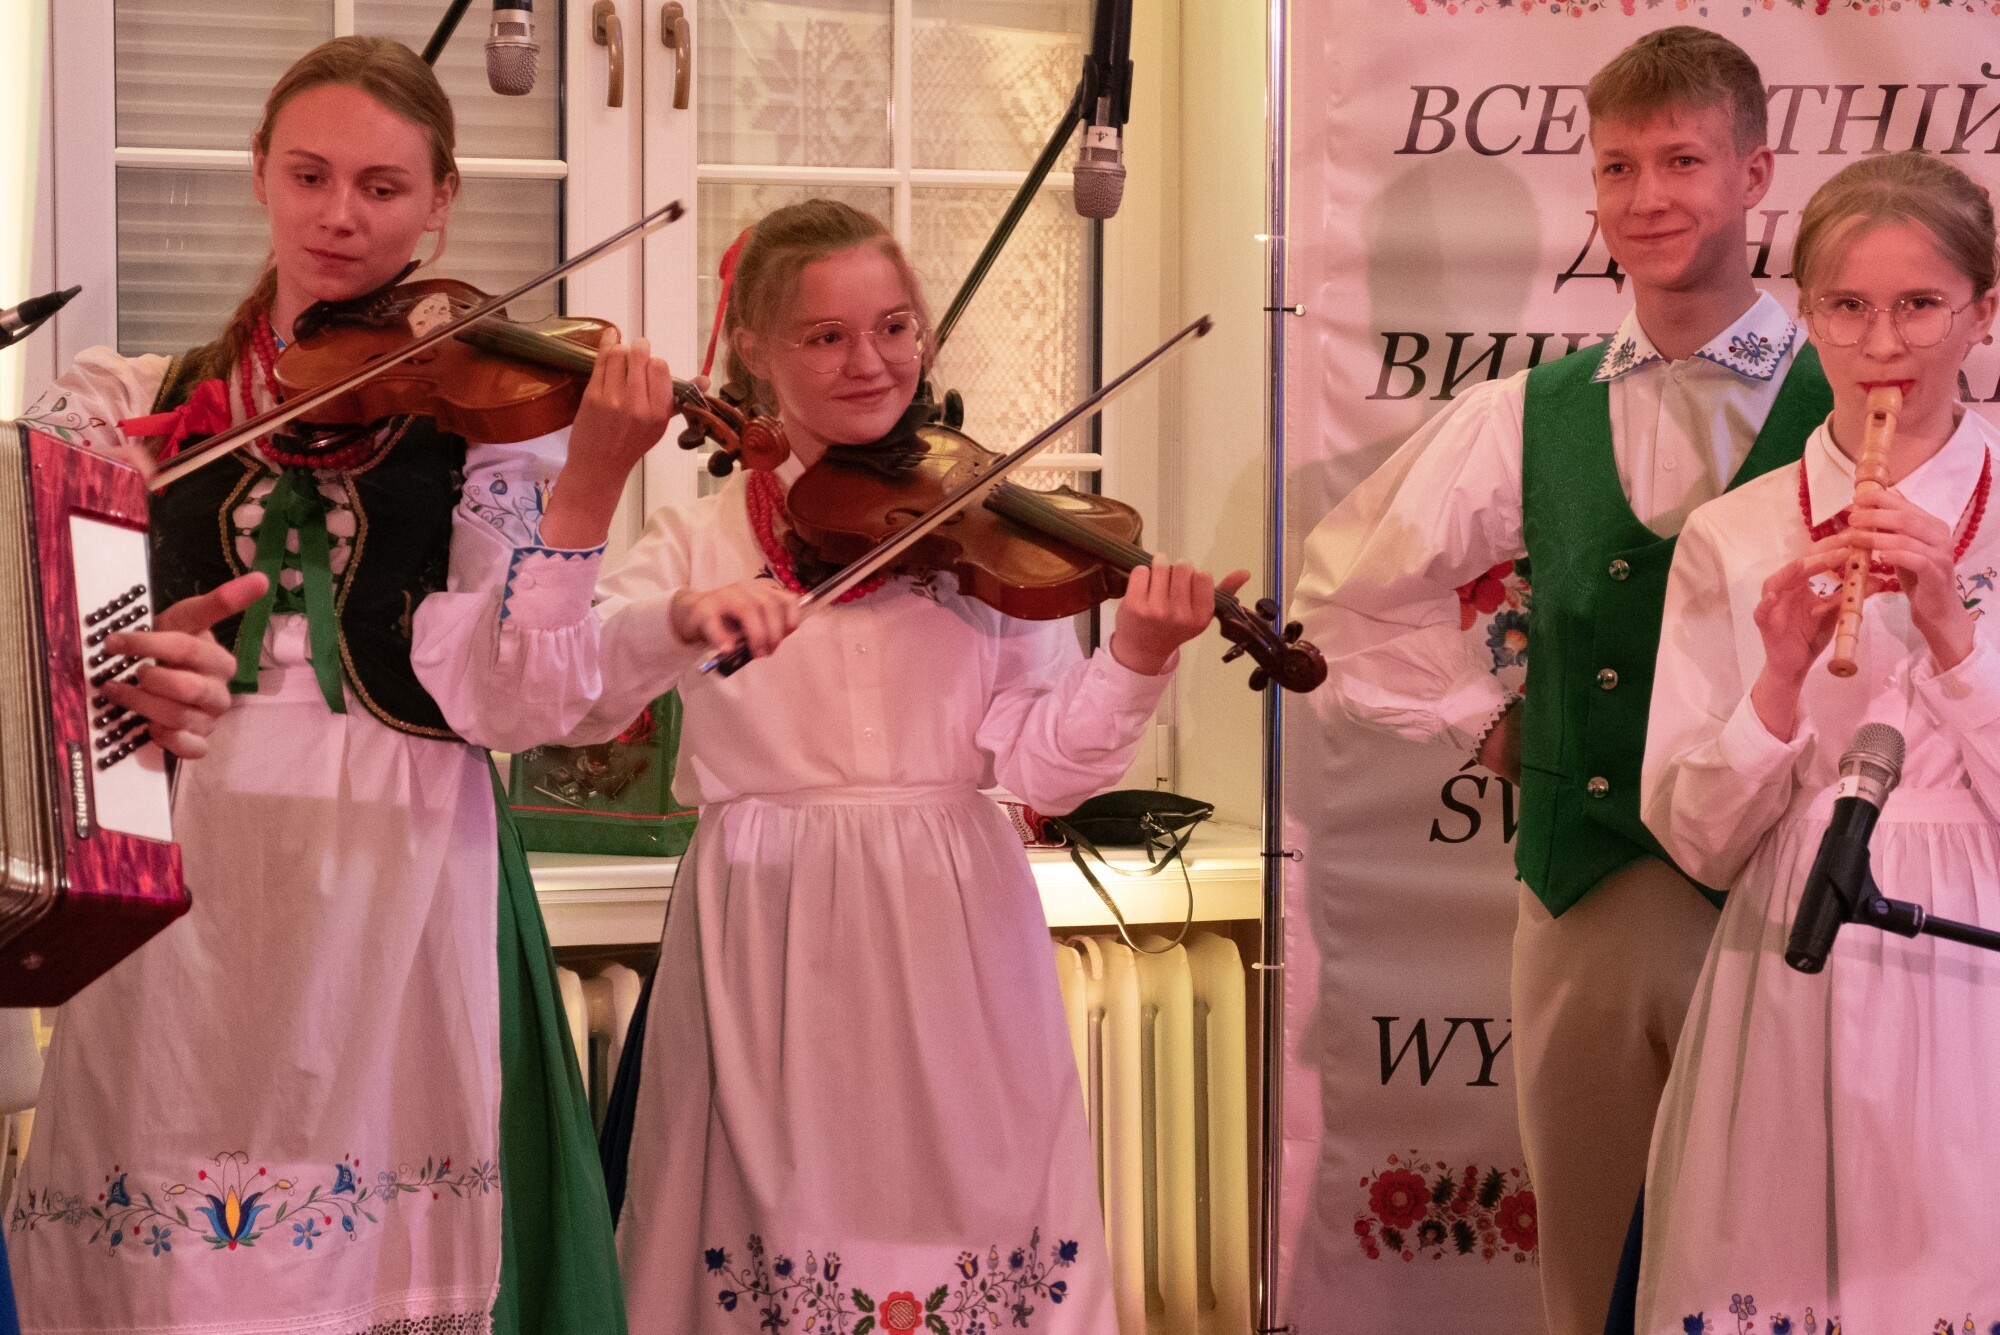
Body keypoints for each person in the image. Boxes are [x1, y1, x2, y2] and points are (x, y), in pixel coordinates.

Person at [427, 198, 1244, 1333]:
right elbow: (571, 695)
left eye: (895, 327)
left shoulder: (984, 528)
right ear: (755, 351)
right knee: (772, 1235)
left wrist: (1138, 656)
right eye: (826, 336)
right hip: (770, 925)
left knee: (983, 1219)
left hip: (957, 930)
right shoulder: (698, 541)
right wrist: (678, 619)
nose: (871, 362)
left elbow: (1048, 772)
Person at [7, 36, 622, 1335]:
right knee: (170, 1249)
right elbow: (35, 643)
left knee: (363, 1241)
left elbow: (518, 705)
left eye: (383, 187)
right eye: (310, 175)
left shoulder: (489, 429)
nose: (341, 214)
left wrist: (592, 484)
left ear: (441, 200)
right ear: (260, 175)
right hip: (187, 867)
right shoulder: (133, 404)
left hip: (391, 864)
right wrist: (110, 664)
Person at [1291, 27, 1833, 1335]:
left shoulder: (1859, 405)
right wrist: (1495, 697)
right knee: (1591, 1277)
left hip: (1791, 899)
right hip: (1586, 893)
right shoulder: (1527, 413)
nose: (1646, 197)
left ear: (1756, 172)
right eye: (1616, 167)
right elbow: (1348, 601)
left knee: (1788, 1271)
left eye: (1683, 160)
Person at [1635, 151, 2000, 1329]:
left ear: (1982, 312)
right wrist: (1777, 684)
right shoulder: (1732, 531)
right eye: (1845, 305)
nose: (1881, 343)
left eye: (1919, 303)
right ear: (1806, 313)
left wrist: (1954, 641)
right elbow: (1695, 838)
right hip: (1789, 941)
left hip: (1973, 950)